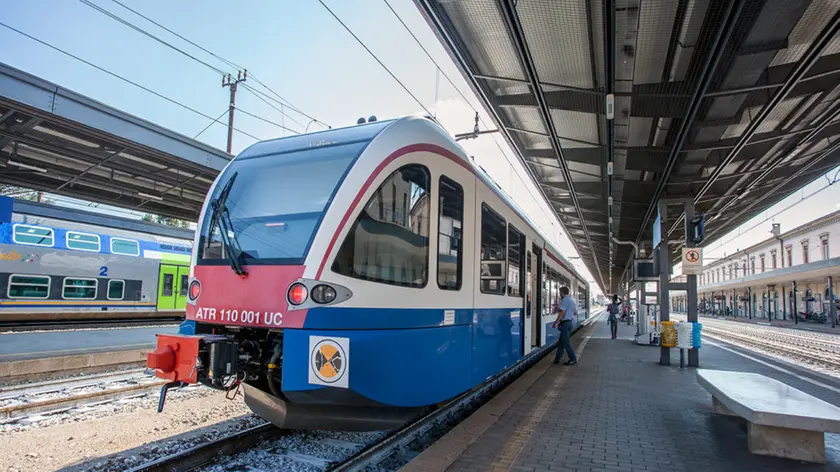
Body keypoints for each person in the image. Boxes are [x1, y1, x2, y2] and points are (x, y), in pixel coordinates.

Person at [552, 286, 578, 365]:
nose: (560, 294)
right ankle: (557, 359)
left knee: (566, 342)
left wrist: (556, 322)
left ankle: (573, 358)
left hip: (565, 323)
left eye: (560, 292)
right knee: (561, 342)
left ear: (562, 293)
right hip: (569, 322)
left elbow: (562, 312)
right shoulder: (572, 301)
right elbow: (575, 313)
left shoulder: (565, 300)